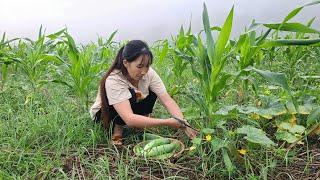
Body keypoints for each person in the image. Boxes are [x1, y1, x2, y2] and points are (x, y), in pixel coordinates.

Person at [90, 40, 198, 145]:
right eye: (139, 66)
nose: (144, 71)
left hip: (128, 110)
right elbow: (129, 118)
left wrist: (184, 123)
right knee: (132, 94)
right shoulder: (114, 79)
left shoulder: (149, 74)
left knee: (151, 91)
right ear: (126, 63)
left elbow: (167, 100)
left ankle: (141, 125)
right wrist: (167, 122)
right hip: (105, 115)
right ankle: (117, 131)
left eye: (147, 65)